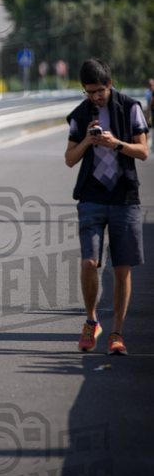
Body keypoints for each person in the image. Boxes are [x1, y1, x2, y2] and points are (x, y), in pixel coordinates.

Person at [65, 58, 148, 356]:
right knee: (90, 262)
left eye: (99, 91)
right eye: (89, 92)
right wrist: (88, 139)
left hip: (124, 197)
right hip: (91, 197)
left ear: (109, 84)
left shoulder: (130, 108)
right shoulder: (79, 114)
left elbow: (143, 152)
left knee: (121, 267)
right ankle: (91, 322)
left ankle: (117, 334)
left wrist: (116, 144)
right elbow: (70, 158)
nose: (95, 97)